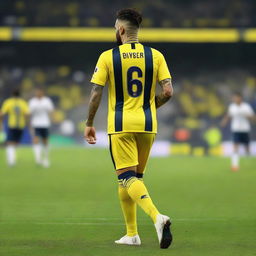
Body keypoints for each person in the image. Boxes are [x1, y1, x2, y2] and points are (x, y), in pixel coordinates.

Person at [84, 9, 173, 249]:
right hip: (147, 125)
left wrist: (89, 123)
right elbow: (168, 92)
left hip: (121, 125)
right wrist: (150, 107)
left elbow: (96, 93)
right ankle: (131, 234)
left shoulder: (107, 57)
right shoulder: (155, 56)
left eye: (115, 28)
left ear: (121, 30)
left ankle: (157, 217)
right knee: (132, 180)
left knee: (126, 176)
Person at [221, 92, 255, 171]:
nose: (235, 99)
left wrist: (247, 116)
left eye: (236, 98)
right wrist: (224, 121)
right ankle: (235, 165)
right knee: (235, 146)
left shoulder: (246, 107)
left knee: (247, 147)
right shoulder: (232, 107)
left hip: (245, 129)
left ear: (240, 98)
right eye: (234, 98)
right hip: (236, 129)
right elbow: (228, 115)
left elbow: (253, 117)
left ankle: (249, 163)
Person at [0, 89, 29, 166]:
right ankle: (11, 160)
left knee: (11, 143)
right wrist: (28, 124)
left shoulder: (8, 102)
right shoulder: (23, 103)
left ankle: (11, 159)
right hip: (21, 125)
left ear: (12, 94)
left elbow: (2, 113)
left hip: (12, 125)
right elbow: (27, 114)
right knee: (14, 143)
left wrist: (1, 122)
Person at [29, 88, 54, 168]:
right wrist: (30, 124)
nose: (38, 93)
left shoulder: (47, 101)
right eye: (37, 92)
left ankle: (46, 159)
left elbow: (51, 111)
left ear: (42, 92)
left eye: (39, 92)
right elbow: (29, 113)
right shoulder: (32, 101)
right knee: (36, 140)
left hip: (45, 123)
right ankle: (38, 159)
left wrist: (51, 121)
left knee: (45, 141)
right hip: (35, 123)